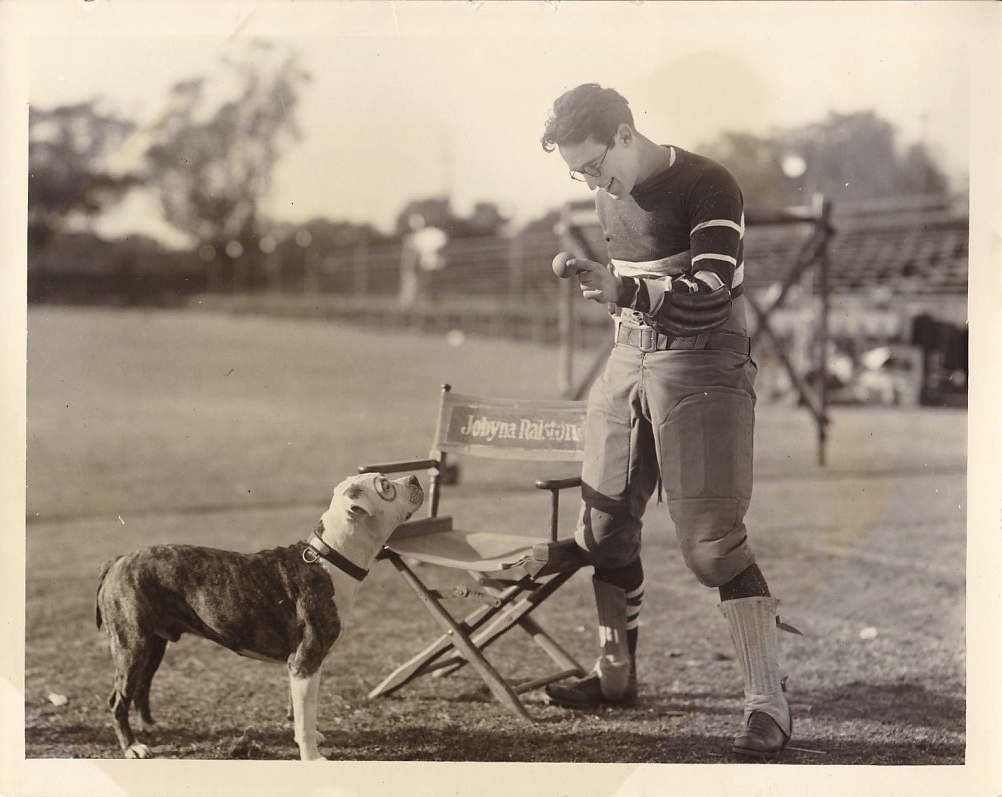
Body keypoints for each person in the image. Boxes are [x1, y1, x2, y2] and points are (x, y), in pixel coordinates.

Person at [539, 83, 793, 761]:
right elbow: (634, 293)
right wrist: (613, 288)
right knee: (602, 527)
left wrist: (622, 288)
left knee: (712, 546)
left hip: (702, 362)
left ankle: (768, 700)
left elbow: (710, 292)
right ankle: (614, 673)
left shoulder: (709, 183)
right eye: (579, 173)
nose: (592, 180)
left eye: (594, 163)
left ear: (625, 133)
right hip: (631, 355)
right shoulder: (607, 192)